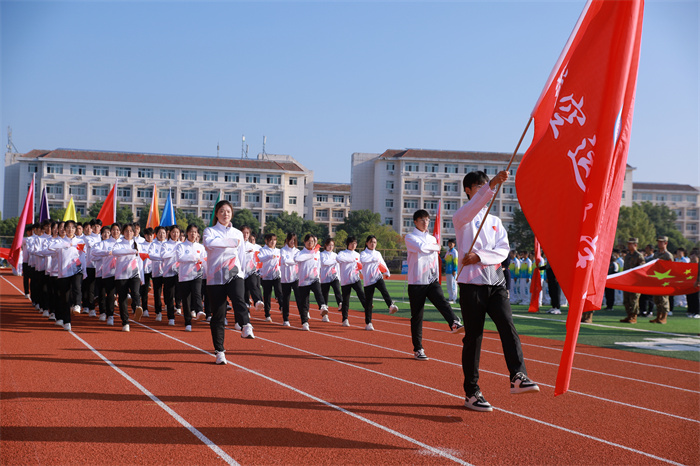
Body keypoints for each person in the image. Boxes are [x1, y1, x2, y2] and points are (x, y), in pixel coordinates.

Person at [454, 170, 539, 412]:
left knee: (507, 327)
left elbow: (503, 250)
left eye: (486, 186)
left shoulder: (495, 221)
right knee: (474, 338)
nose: (486, 191)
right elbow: (476, 205)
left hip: (496, 283)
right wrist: (491, 184)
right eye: (479, 187)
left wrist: (480, 256)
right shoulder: (462, 217)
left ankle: (518, 376)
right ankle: (472, 392)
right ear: (468, 190)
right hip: (471, 285)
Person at [405, 210, 464, 360]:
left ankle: (454, 322)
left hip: (431, 280)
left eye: (427, 220)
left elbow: (433, 252)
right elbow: (422, 248)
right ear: (415, 222)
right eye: (422, 220)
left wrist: (434, 247)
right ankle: (418, 349)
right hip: (416, 282)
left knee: (442, 302)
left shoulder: (432, 238)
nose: (425, 223)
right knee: (417, 317)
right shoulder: (410, 237)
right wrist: (435, 246)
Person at [203, 200, 255, 365]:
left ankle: (246, 325)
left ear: (232, 214)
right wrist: (230, 242)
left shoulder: (238, 233)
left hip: (233, 271)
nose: (225, 214)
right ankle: (219, 351)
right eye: (222, 211)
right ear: (217, 214)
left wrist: (241, 272)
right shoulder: (210, 231)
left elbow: (242, 255)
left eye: (228, 211)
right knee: (218, 315)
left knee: (238, 297)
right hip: (215, 276)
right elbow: (210, 244)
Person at [50, 220, 85, 331]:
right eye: (68, 228)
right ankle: (67, 321)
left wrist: (84, 271)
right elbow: (50, 247)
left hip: (76, 269)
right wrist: (68, 244)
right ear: (64, 229)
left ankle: (77, 305)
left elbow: (83, 256)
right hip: (64, 272)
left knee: (77, 287)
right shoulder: (59, 241)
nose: (70, 230)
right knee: (65, 298)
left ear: (75, 229)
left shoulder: (80, 241)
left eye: (73, 228)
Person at [360, 235, 399, 330]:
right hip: (368, 280)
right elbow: (363, 261)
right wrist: (373, 259)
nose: (373, 244)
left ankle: (391, 306)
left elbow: (382, 263)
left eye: (374, 242)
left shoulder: (377, 253)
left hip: (377, 277)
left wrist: (387, 272)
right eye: (371, 242)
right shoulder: (363, 253)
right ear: (367, 243)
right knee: (369, 302)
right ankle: (368, 323)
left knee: (384, 291)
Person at [112, 223, 144, 332]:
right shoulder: (118, 244)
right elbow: (115, 253)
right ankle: (125, 322)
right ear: (123, 232)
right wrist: (131, 251)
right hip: (121, 275)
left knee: (135, 292)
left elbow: (140, 261)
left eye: (131, 231)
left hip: (134, 273)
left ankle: (138, 307)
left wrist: (142, 277)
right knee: (122, 299)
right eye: (126, 231)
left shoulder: (137, 244)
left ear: (134, 232)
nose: (129, 233)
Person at [294, 234, 329, 330]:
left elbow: (319, 265)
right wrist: (311, 255)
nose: (310, 243)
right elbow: (296, 259)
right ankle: (305, 322)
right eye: (308, 241)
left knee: (318, 292)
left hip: (314, 278)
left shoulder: (317, 253)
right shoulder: (300, 253)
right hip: (303, 281)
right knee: (304, 303)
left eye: (312, 241)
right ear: (305, 242)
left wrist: (318, 275)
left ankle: (322, 306)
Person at [176, 224, 206, 331]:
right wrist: (193, 258)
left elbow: (204, 259)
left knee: (197, 293)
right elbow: (180, 258)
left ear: (197, 234)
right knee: (186, 300)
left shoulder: (200, 247)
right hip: (184, 276)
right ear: (187, 233)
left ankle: (199, 311)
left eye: (195, 232)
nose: (193, 234)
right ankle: (188, 322)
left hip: (197, 274)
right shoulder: (181, 246)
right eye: (191, 232)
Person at [336, 236, 367, 327]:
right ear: (348, 244)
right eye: (352, 243)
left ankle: (367, 307)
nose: (353, 245)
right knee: (345, 300)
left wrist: (365, 274)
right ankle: (345, 319)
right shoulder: (342, 253)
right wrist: (351, 260)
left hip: (355, 278)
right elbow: (338, 259)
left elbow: (361, 266)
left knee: (361, 293)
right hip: (345, 280)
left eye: (355, 244)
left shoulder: (358, 255)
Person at [620, 238, 645, 323]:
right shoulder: (627, 255)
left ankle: (634, 316)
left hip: (635, 281)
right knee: (626, 300)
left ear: (635, 245)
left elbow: (642, 268)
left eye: (630, 244)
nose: (628, 245)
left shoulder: (639, 255)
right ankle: (629, 315)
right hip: (627, 281)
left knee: (634, 299)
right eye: (628, 244)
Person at [258, 233, 282, 322]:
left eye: (274, 240)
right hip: (266, 276)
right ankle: (267, 314)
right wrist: (270, 256)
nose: (273, 242)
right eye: (270, 240)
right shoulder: (262, 250)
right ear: (266, 241)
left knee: (279, 291)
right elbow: (260, 258)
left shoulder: (279, 251)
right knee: (267, 295)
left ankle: (282, 306)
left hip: (276, 275)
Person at [650, 236, 674, 324]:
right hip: (657, 278)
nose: (659, 243)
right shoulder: (656, 254)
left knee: (664, 299)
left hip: (665, 279)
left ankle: (664, 317)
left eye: (661, 242)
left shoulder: (668, 255)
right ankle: (658, 317)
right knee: (657, 299)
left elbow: (671, 268)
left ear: (665, 243)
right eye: (658, 242)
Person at [241, 226, 264, 313]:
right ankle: (246, 308)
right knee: (244, 291)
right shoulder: (237, 245)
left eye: (247, 233)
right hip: (240, 272)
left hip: (251, 271)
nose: (245, 235)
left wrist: (259, 268)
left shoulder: (253, 246)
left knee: (253, 284)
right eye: (243, 233)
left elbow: (258, 258)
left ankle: (257, 301)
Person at [280, 233, 300, 327]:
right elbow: (285, 261)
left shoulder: (298, 251)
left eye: (294, 240)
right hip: (285, 278)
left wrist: (294, 262)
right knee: (286, 299)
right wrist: (295, 261)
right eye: (291, 240)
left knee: (299, 297)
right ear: (287, 240)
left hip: (296, 277)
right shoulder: (283, 250)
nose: (292, 242)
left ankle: (303, 316)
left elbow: (299, 261)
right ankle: (286, 319)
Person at [148, 226, 168, 322]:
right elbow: (150, 255)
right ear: (156, 234)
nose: (162, 235)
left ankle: (168, 306)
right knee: (157, 293)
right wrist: (162, 257)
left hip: (167, 272)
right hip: (156, 272)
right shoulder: (153, 244)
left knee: (168, 292)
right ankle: (158, 312)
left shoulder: (168, 243)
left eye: (163, 233)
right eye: (160, 233)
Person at [320, 238, 342, 310]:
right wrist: (334, 261)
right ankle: (325, 308)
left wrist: (339, 277)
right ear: (326, 245)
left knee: (337, 290)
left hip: (334, 276)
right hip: (325, 277)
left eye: (332, 245)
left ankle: (340, 304)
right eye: (329, 245)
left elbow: (338, 266)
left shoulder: (335, 255)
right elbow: (324, 262)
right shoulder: (322, 254)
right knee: (325, 294)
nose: (330, 247)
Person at [139, 228, 154, 319]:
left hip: (155, 270)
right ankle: (145, 309)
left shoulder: (155, 244)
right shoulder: (141, 245)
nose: (150, 237)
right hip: (145, 270)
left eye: (151, 235)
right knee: (144, 291)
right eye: (148, 235)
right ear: (145, 235)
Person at [444, 239, 459, 303]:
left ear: (454, 244)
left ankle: (454, 299)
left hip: (452, 271)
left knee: (453, 285)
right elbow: (445, 260)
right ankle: (450, 298)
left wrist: (454, 270)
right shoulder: (448, 252)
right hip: (447, 271)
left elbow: (456, 261)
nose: (450, 245)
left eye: (451, 243)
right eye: (449, 243)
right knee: (449, 285)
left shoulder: (454, 252)